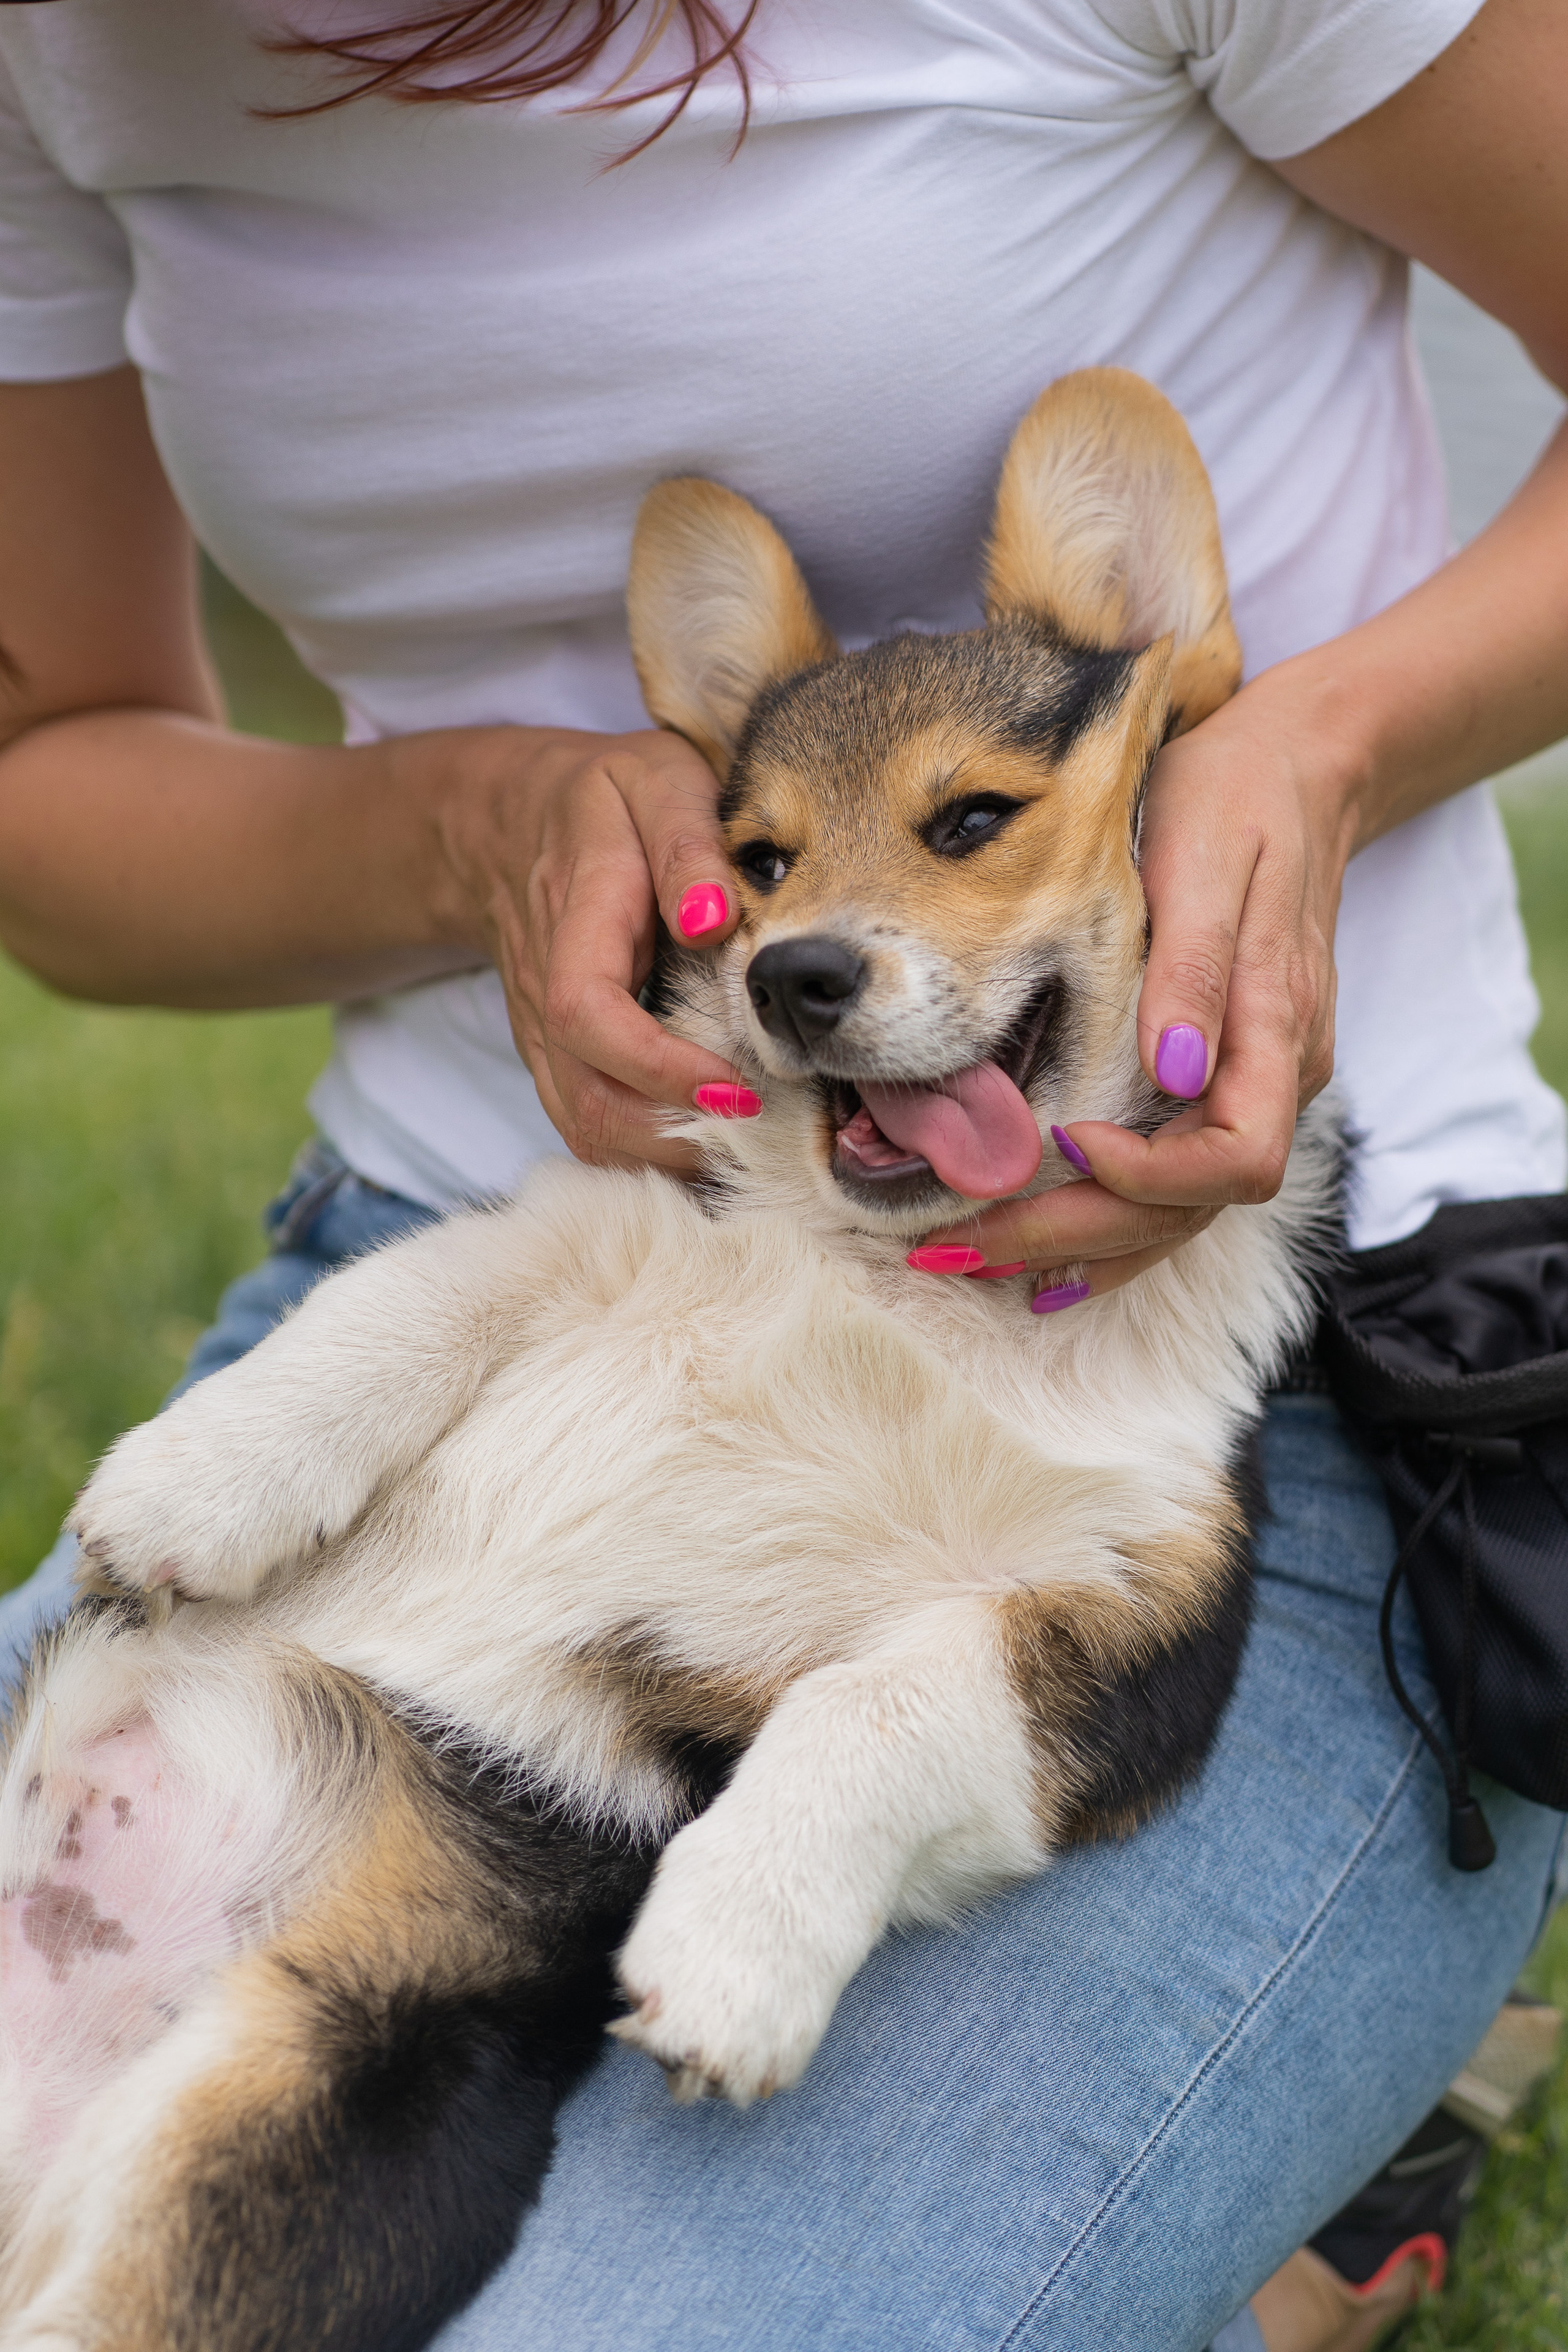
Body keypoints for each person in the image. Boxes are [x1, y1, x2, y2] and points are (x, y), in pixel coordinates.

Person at [1, 1, 1566, 2343]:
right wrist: (475, 823)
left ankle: (1270, 2139)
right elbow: (58, 785)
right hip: (504, 1341)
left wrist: (1312, 753)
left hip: (1264, 1402)